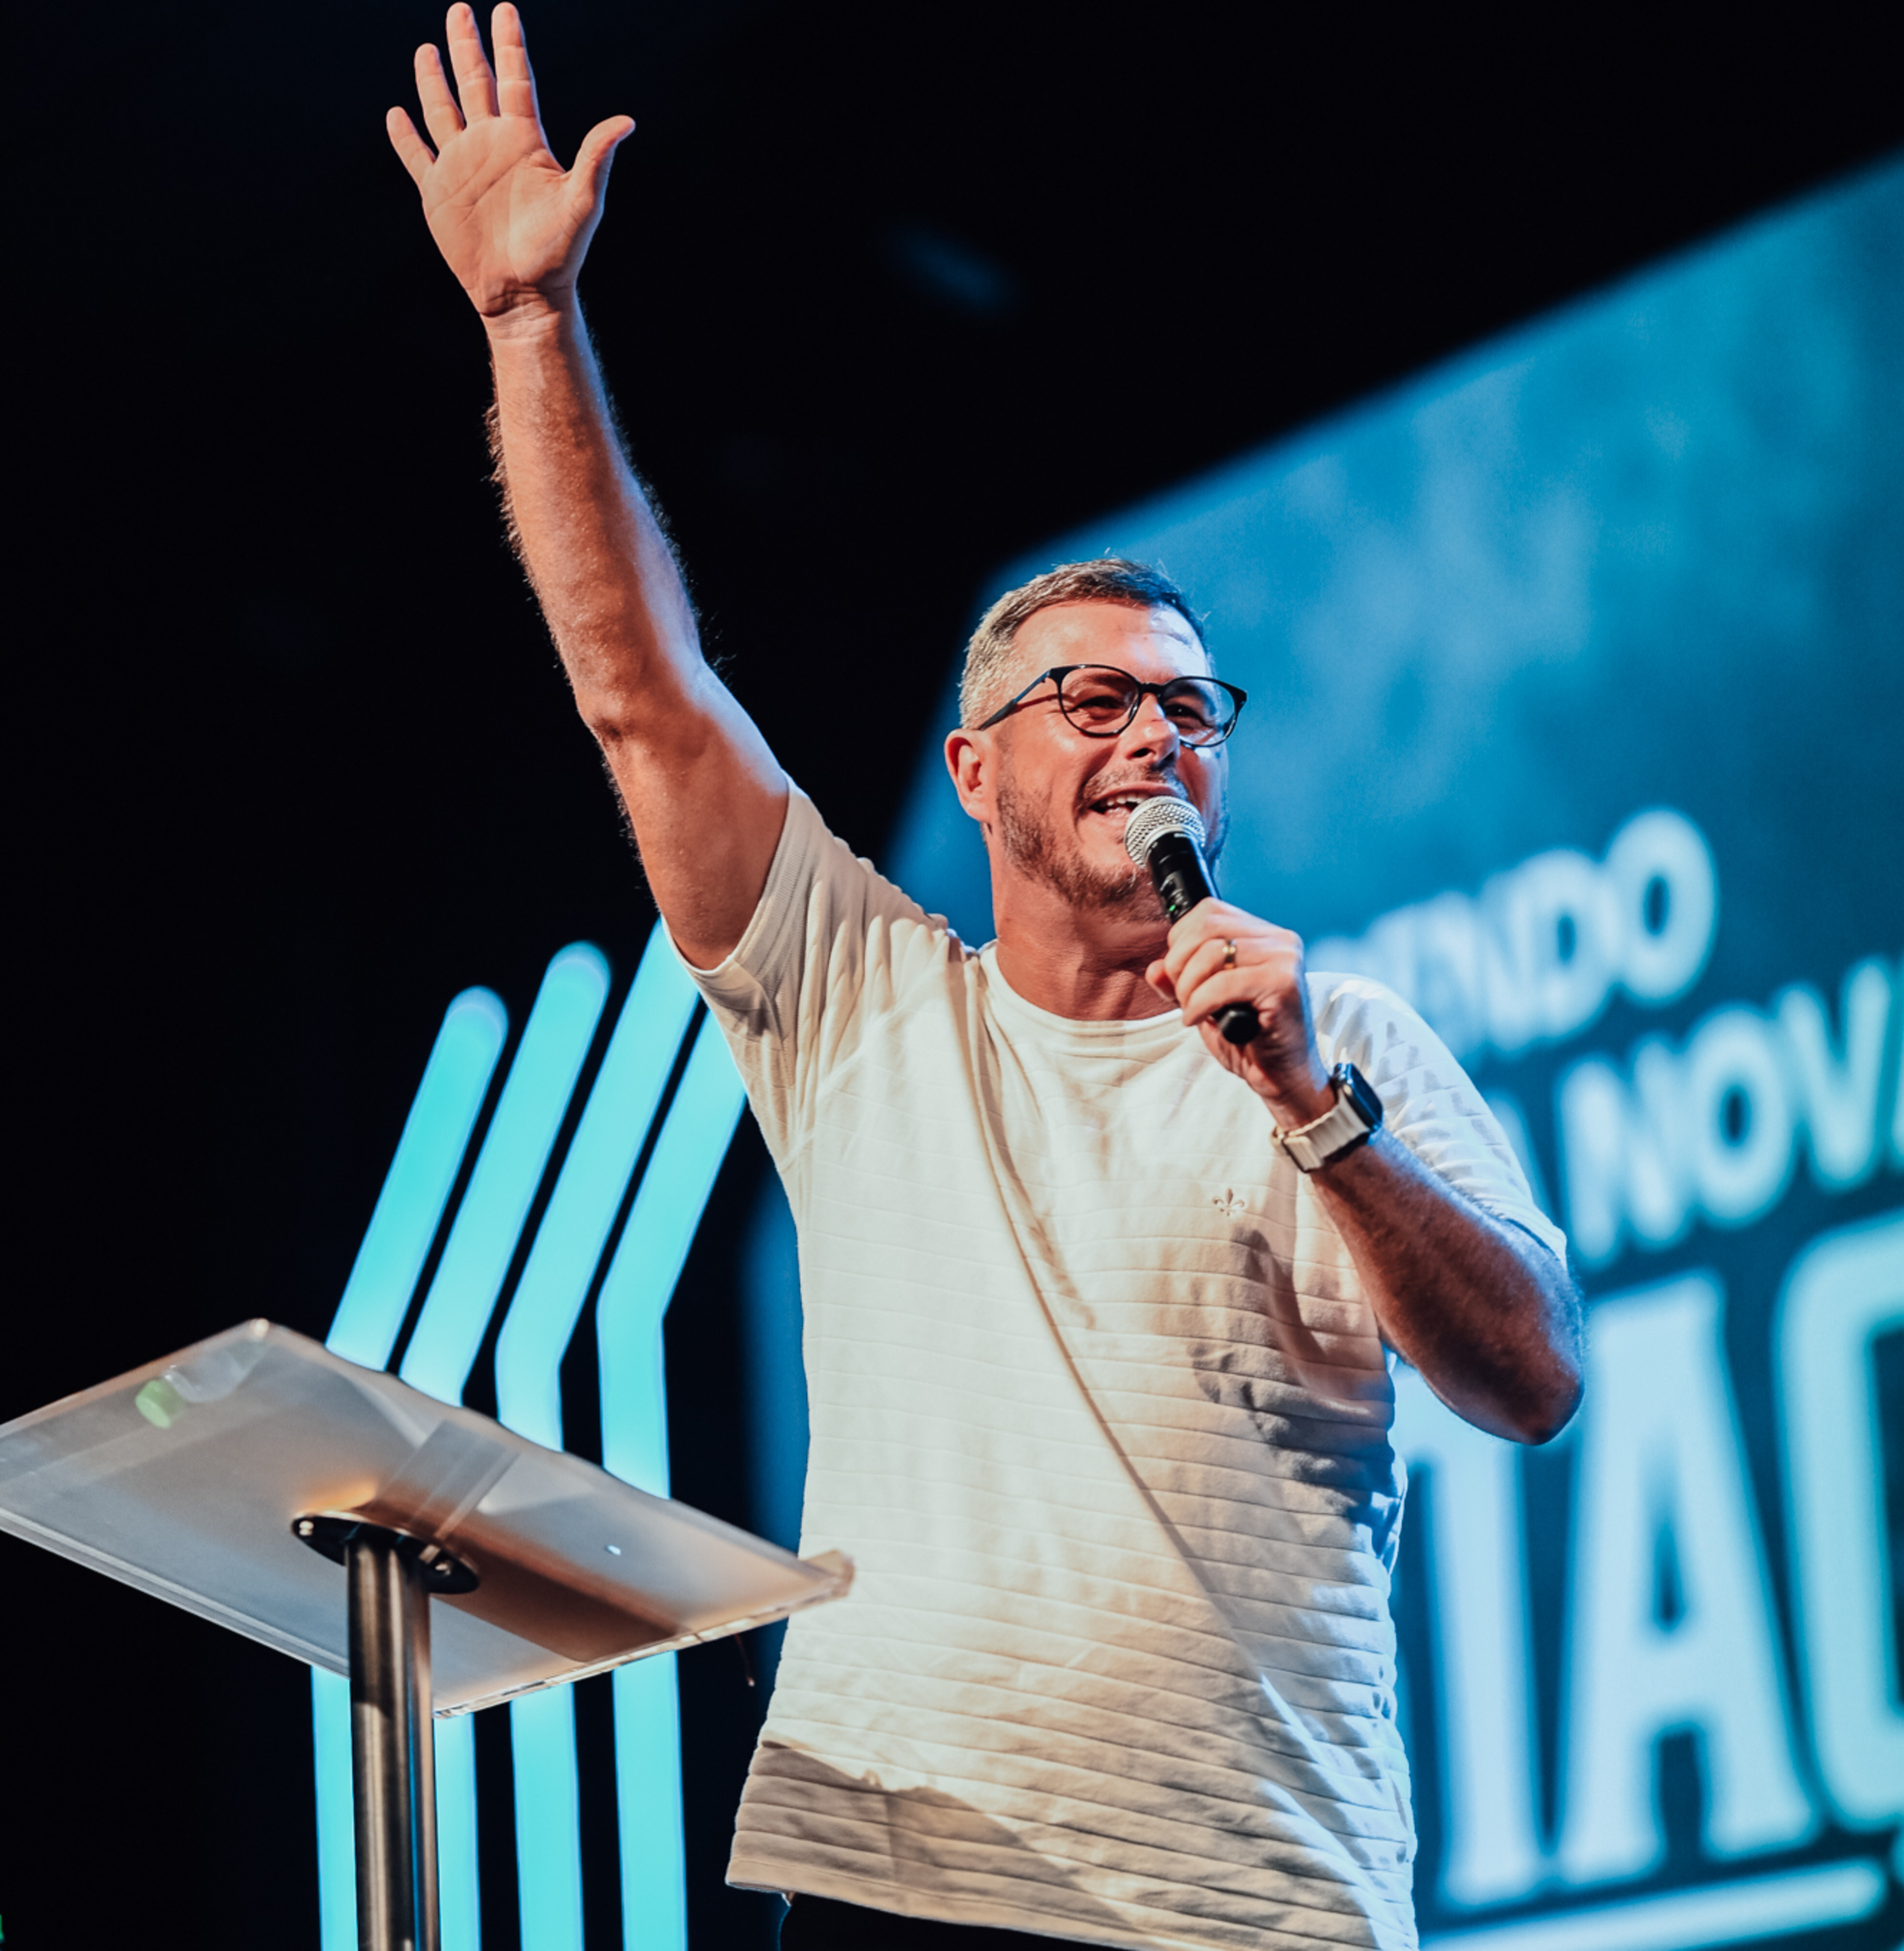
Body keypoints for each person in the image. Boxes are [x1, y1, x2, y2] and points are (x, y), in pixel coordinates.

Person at [387, 9, 1584, 1947]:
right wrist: (533, 324)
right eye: (1092, 700)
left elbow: (1530, 1379)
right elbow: (642, 696)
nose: (1154, 737)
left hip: (1247, 1898)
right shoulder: (866, 1004)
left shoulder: (1342, 1042)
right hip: (904, 1874)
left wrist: (1314, 1115)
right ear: (972, 772)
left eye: (1190, 709)